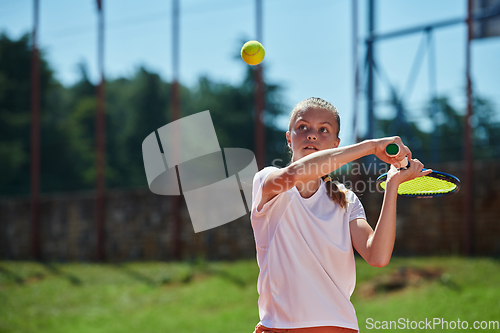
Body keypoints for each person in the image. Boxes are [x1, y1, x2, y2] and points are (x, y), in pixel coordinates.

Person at [250, 97, 432, 333]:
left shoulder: (346, 199)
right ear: (289, 137)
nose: (312, 135)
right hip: (284, 327)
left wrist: (393, 184)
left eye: (323, 129)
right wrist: (371, 146)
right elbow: (295, 174)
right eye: (302, 127)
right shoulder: (268, 180)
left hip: (342, 327)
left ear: (337, 144)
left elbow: (377, 256)